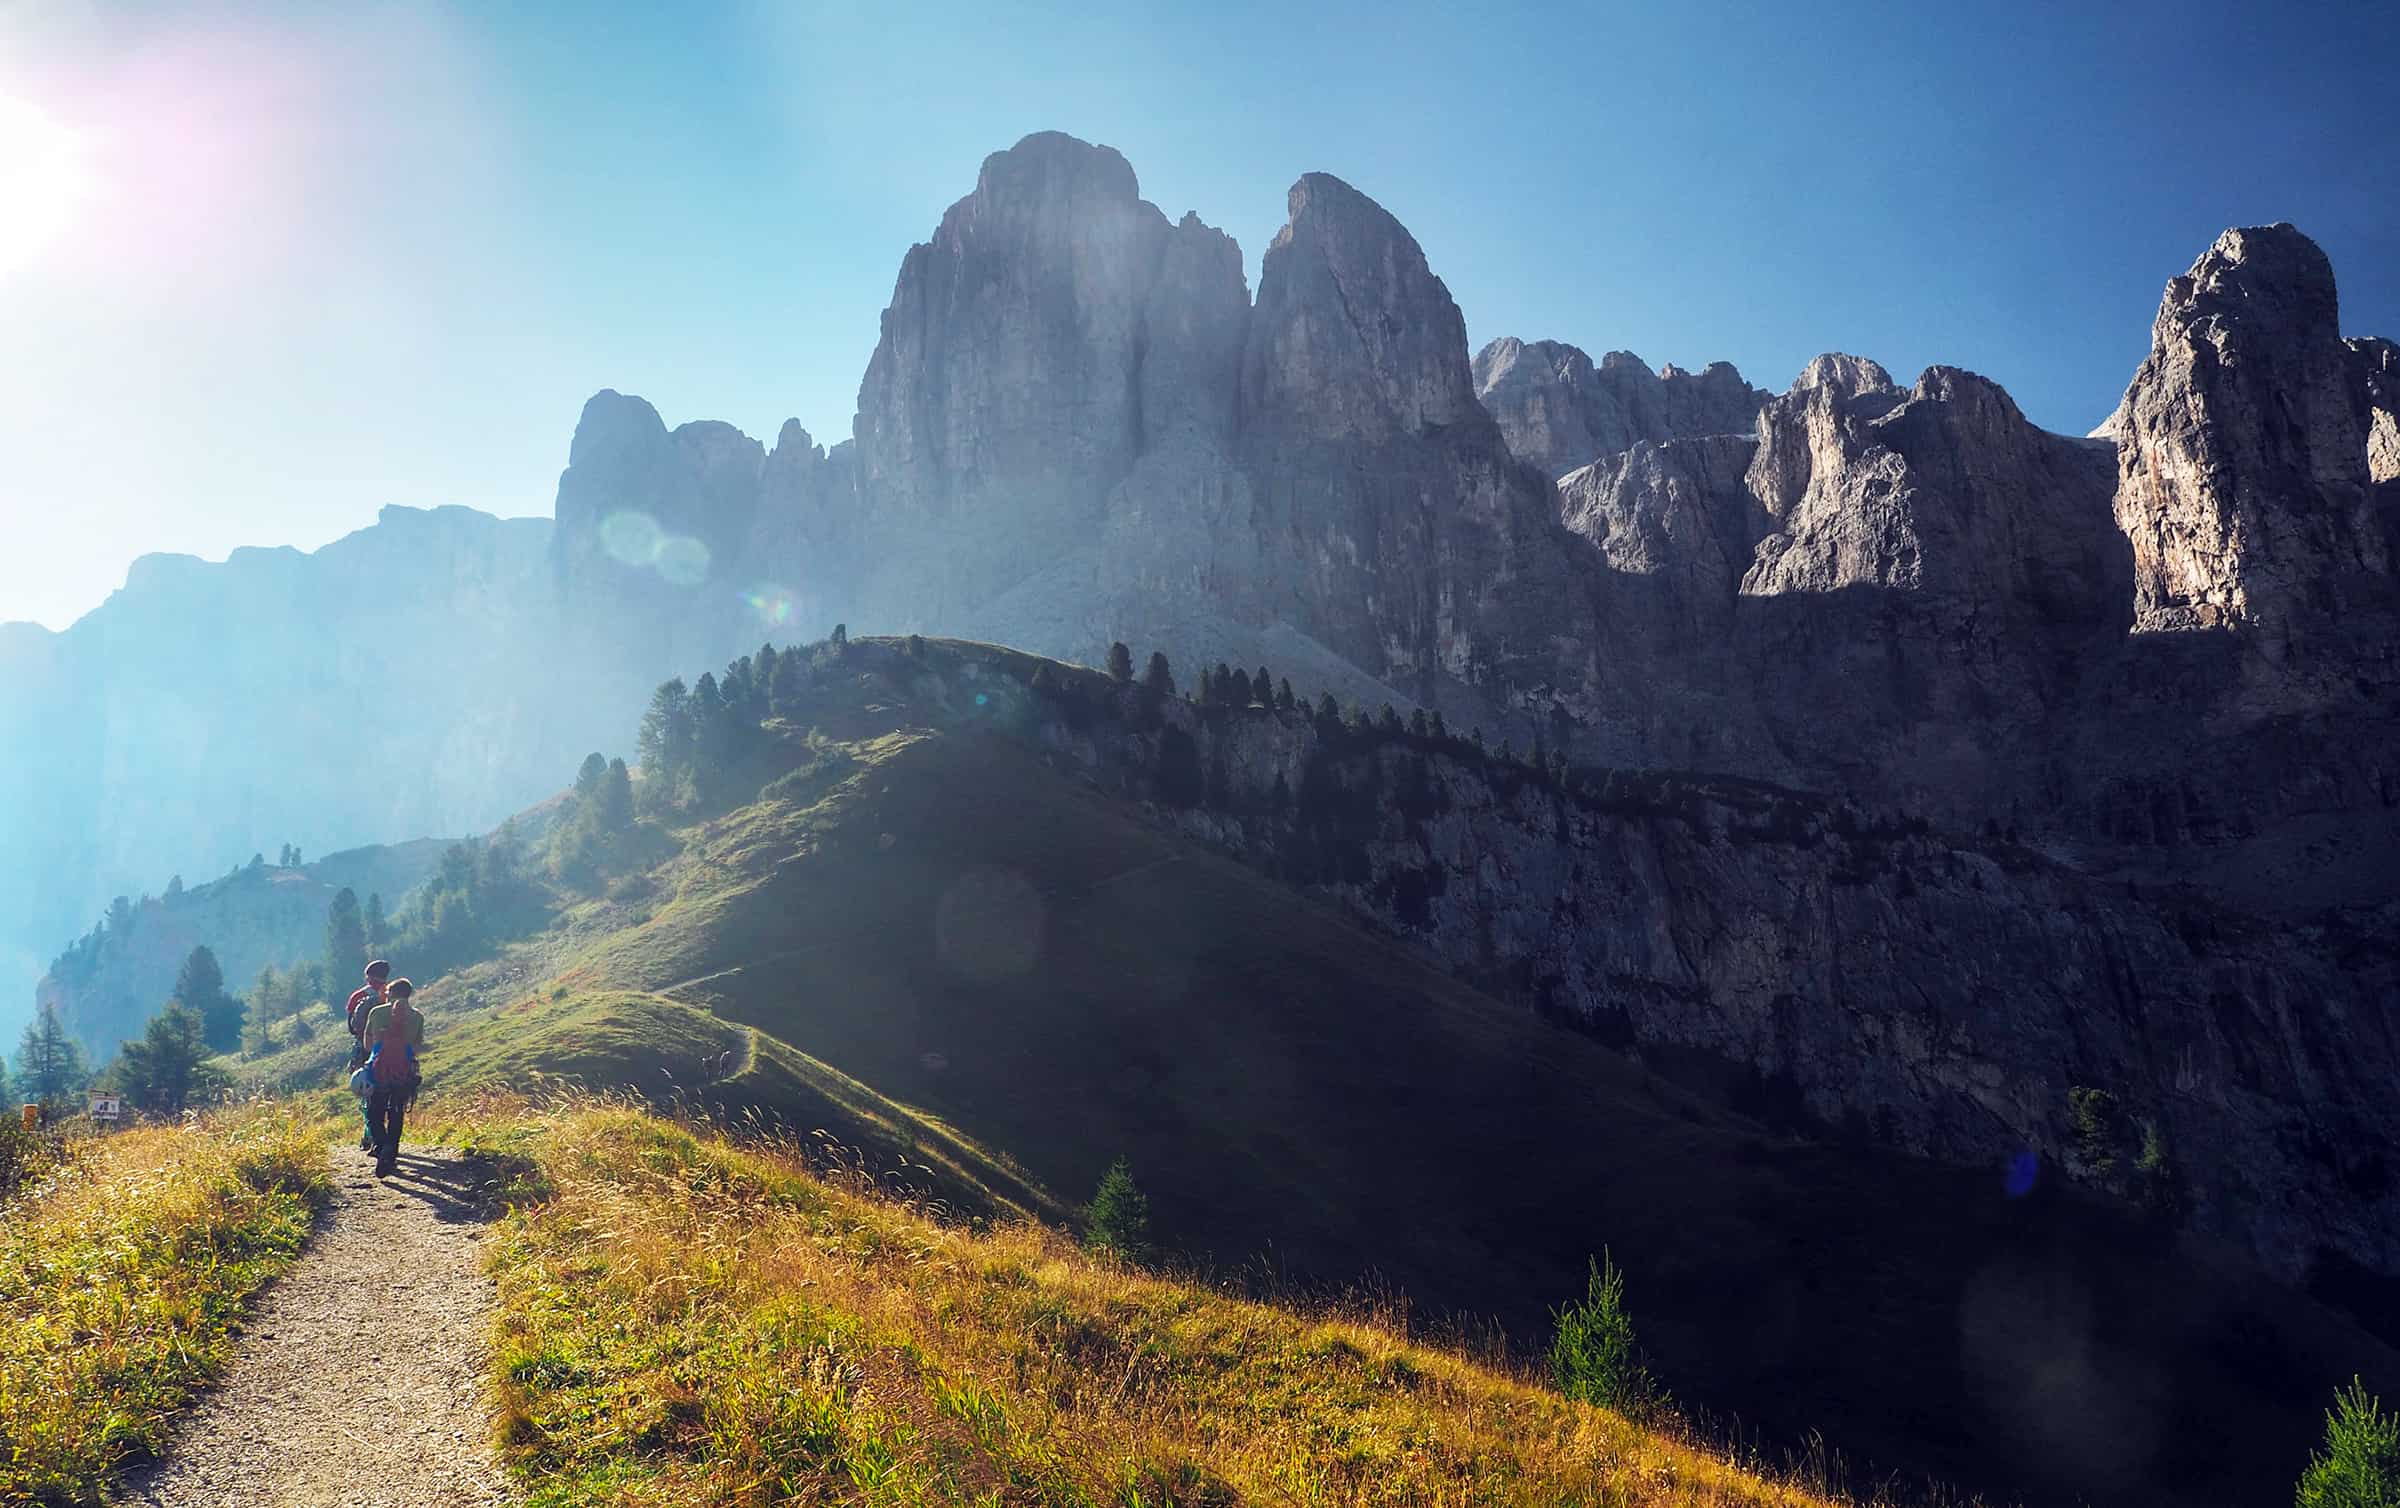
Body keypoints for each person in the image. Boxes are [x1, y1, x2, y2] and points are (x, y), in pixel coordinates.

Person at [360, 977, 424, 1177]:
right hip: (404, 1069)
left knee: (373, 1111)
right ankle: (391, 1151)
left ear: (390, 993)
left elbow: (367, 1042)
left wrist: (380, 1053)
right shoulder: (417, 1017)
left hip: (378, 1069)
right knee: (397, 1111)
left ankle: (381, 1144)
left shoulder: (377, 1012)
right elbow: (417, 1046)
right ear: (408, 994)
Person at [344, 961, 392, 1151]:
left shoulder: (359, 995)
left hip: (366, 1048)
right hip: (393, 1049)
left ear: (368, 976)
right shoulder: (394, 993)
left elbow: (351, 1026)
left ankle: (369, 1135)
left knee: (367, 1091)